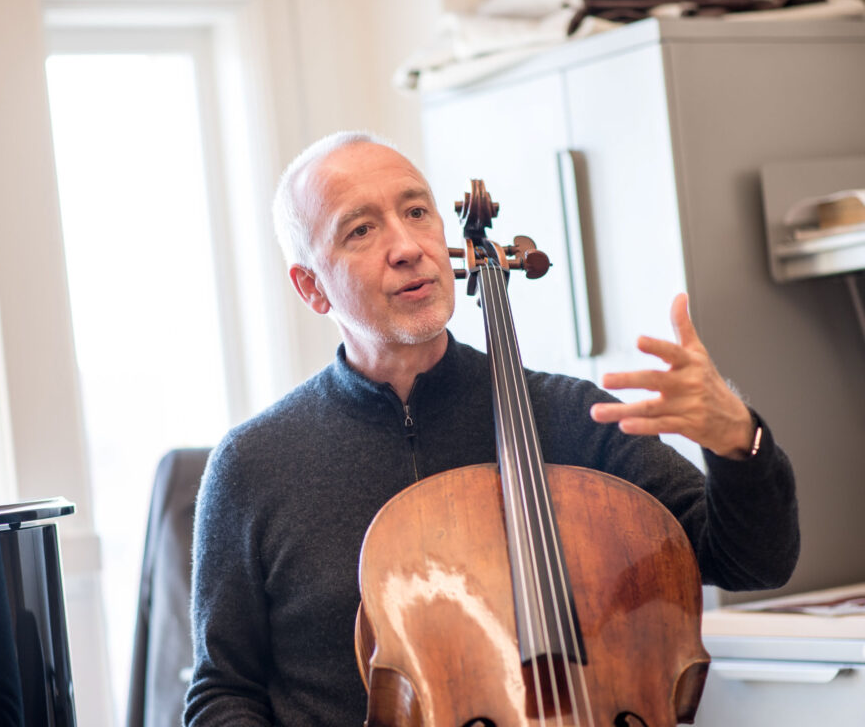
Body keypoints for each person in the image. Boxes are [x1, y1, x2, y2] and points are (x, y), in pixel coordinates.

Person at [183, 131, 798, 727]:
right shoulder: (252, 465)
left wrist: (738, 441)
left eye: (417, 211)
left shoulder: (574, 418)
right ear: (312, 287)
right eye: (361, 229)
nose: (407, 246)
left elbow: (753, 562)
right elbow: (223, 691)